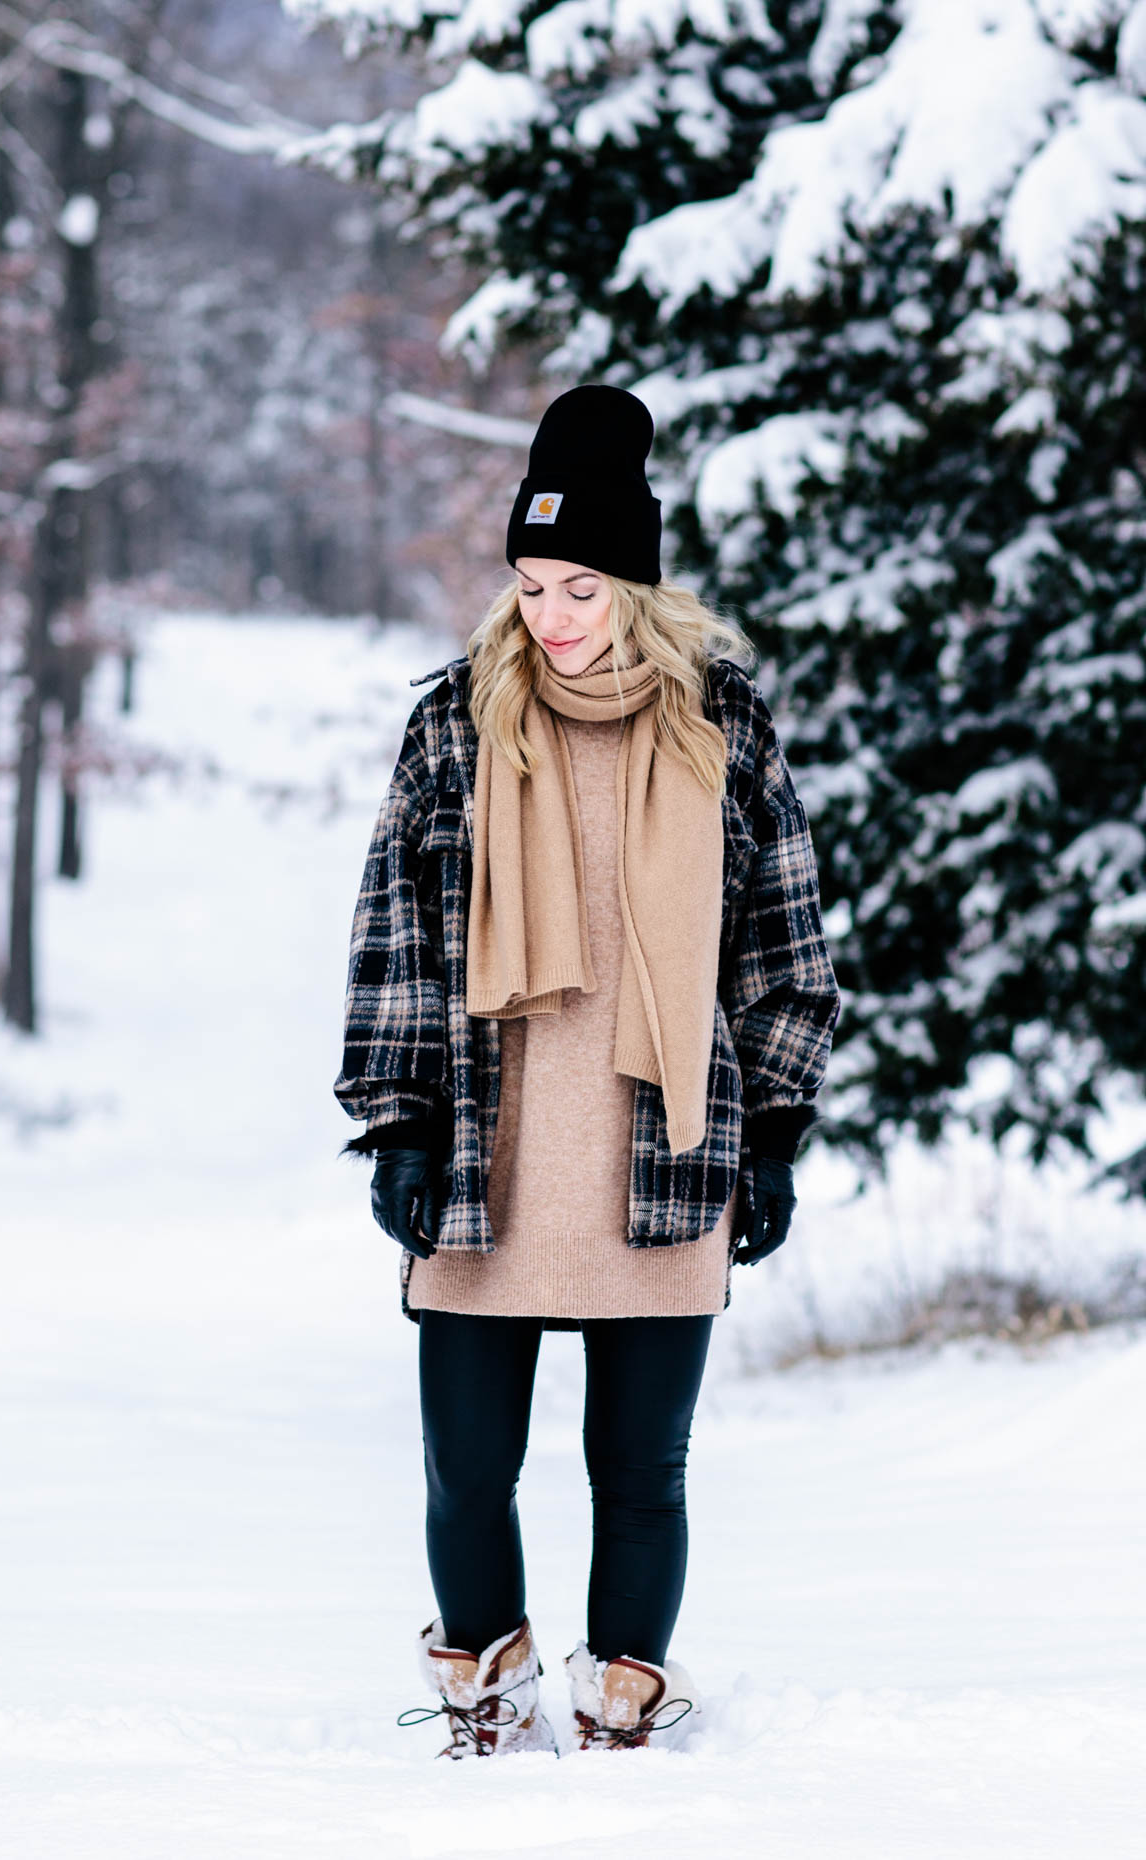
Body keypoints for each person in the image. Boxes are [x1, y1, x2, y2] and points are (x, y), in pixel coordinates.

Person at [334, 384, 839, 1758]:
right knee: (465, 1471)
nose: (549, 614)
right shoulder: (459, 723)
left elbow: (784, 948)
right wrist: (399, 1127)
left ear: (636, 586)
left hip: (662, 1152)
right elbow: (393, 935)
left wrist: (778, 1132)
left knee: (641, 1475)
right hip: (491, 1157)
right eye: (530, 583)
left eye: (578, 585)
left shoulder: (721, 727)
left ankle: (623, 1702)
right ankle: (485, 1698)